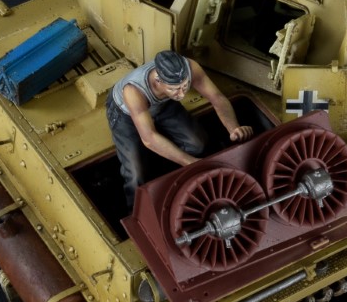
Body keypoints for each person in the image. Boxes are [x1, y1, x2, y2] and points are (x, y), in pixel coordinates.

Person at [106, 50, 254, 208]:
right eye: (175, 88)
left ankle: (185, 178)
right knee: (136, 172)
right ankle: (136, 212)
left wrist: (234, 129)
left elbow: (217, 98)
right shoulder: (133, 90)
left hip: (164, 103)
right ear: (158, 80)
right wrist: (190, 162)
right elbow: (149, 138)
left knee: (197, 143)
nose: (182, 94)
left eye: (185, 86)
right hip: (126, 114)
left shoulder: (190, 68)